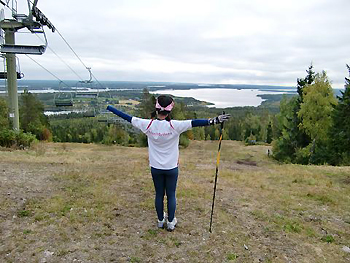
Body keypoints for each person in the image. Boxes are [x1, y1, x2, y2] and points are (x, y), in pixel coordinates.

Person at [107, 95, 230, 231]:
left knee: (159, 194)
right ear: (169, 110)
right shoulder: (175, 126)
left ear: (157, 108)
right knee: (171, 194)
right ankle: (171, 222)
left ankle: (160, 220)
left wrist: (110, 107)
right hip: (171, 168)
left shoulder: (147, 125)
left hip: (155, 168)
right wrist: (215, 121)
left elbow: (126, 117)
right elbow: (195, 122)